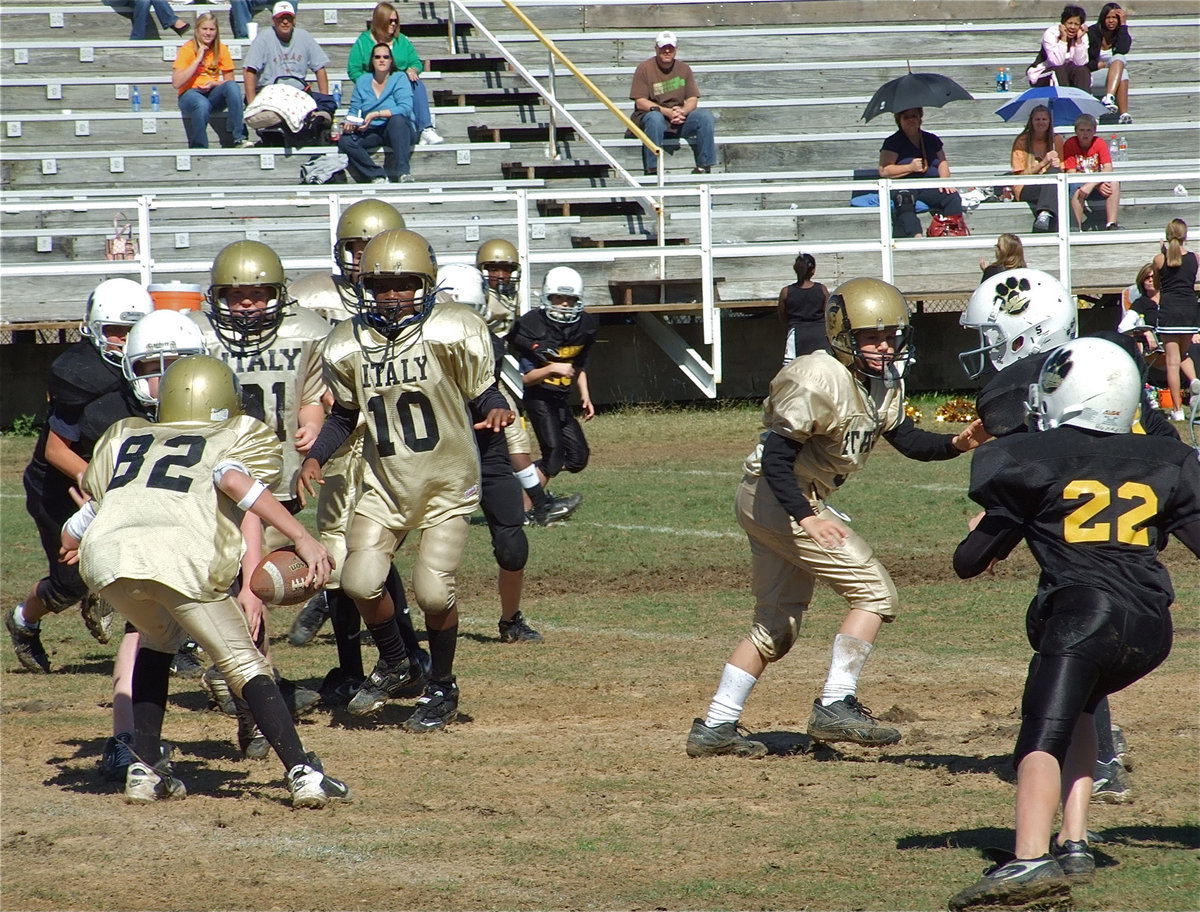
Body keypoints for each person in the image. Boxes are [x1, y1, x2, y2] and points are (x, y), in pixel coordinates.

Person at [686, 278, 989, 759]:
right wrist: (807, 518)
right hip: (778, 496)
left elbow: (906, 439)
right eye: (871, 336)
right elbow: (777, 462)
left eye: (890, 335)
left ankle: (717, 725)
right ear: (842, 333)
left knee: (775, 628)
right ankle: (835, 703)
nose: (883, 345)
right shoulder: (818, 376)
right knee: (874, 592)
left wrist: (956, 443)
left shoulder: (881, 380)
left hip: (773, 498)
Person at [947, 337, 1200, 911]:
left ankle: (1030, 857)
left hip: (1082, 615)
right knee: (1083, 709)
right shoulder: (1165, 459)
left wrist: (992, 523)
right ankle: (1075, 840)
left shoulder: (1033, 459)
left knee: (1042, 730)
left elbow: (969, 562)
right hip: (1150, 628)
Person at [62, 356, 352, 809]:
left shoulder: (131, 437)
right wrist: (301, 536)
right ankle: (304, 772)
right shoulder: (227, 437)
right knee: (244, 662)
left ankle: (145, 769)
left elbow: (78, 527)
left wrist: (75, 544)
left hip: (111, 564)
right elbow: (236, 481)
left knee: (156, 643)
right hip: (181, 560)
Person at [299, 229, 514, 729]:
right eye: (381, 286)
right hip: (384, 484)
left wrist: (499, 408)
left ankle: (442, 685)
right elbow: (343, 415)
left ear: (426, 284)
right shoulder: (346, 342)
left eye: (403, 284)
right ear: (364, 287)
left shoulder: (453, 328)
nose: (392, 296)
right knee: (358, 580)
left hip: (445, 482)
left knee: (435, 593)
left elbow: (483, 393)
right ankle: (397, 662)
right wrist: (316, 458)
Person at [287, 199, 431, 707]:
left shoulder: (414, 302)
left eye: (372, 248)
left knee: (370, 554)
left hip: (390, 441)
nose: (362, 259)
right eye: (354, 248)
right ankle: (367, 665)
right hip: (338, 443)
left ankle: (403, 657)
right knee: (341, 553)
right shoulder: (313, 297)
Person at [190, 240, 330, 756]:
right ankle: (254, 698)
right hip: (214, 483)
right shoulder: (198, 337)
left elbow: (313, 394)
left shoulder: (306, 332)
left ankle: (252, 697)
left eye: (258, 293)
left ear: (279, 295)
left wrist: (311, 424)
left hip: (275, 482)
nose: (247, 303)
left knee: (256, 591)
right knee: (242, 593)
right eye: (236, 294)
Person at [6, 279, 154, 676]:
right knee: (69, 584)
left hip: (120, 481)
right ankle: (23, 620)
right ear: (93, 328)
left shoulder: (154, 363)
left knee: (149, 562)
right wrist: (100, 485)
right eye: (115, 330)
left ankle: (171, 643)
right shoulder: (80, 373)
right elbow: (56, 451)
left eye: (133, 330)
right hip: (62, 485)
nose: (124, 341)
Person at [436, 262, 543, 642]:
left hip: (487, 447)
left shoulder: (488, 344)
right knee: (392, 536)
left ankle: (510, 620)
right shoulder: (417, 344)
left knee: (513, 546)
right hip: (435, 452)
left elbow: (482, 392)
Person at [475, 238, 581, 526]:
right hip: (470, 385)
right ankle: (535, 504)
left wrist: (533, 348)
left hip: (492, 384)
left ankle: (538, 504)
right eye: (495, 269)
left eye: (507, 269)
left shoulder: (510, 298)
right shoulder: (474, 296)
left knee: (516, 441)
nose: (501, 275)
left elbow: (512, 334)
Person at [506, 267, 599, 484]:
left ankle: (524, 478)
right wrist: (552, 368)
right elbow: (526, 380)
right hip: (539, 399)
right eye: (558, 298)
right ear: (547, 297)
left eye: (570, 298)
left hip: (560, 400)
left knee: (578, 458)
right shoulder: (534, 326)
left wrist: (585, 395)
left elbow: (579, 365)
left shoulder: (584, 326)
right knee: (554, 457)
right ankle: (531, 505)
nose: (565, 304)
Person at [347, 2, 442, 145]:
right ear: (380, 21)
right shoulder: (363, 42)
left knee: (415, 82)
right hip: (375, 87)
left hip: (399, 84)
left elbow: (415, 62)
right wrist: (370, 81)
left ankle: (425, 129)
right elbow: (353, 70)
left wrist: (413, 69)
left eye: (396, 21)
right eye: (389, 21)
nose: (393, 24)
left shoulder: (401, 40)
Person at [629, 30, 717, 176]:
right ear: (656, 48)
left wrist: (682, 112)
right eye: (663, 47)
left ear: (676, 49)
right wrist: (666, 112)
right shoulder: (644, 68)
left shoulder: (684, 69)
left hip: (678, 118)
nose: (667, 51)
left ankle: (704, 165)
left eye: (671, 48)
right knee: (654, 118)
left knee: (705, 116)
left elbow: (692, 99)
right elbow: (641, 102)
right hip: (655, 117)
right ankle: (653, 168)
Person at [877, 107, 966, 238]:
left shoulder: (931, 139)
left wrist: (945, 181)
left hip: (928, 184)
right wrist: (910, 168)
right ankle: (915, 234)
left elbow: (942, 162)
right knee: (904, 200)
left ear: (920, 118)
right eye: (906, 117)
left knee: (951, 196)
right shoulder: (893, 142)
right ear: (899, 120)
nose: (911, 119)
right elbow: (884, 170)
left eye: (914, 116)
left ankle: (951, 231)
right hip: (904, 185)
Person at [338, 43, 416, 185]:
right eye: (377, 57)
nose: (382, 60)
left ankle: (403, 172)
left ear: (391, 60)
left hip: (398, 129)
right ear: (372, 60)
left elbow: (405, 108)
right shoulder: (362, 81)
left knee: (397, 120)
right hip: (372, 129)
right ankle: (377, 175)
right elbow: (354, 110)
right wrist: (350, 123)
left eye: (386, 57)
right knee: (345, 141)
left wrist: (375, 114)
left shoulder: (399, 78)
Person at [173, 12, 253, 150]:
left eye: (212, 29)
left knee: (232, 87)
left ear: (216, 31)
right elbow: (176, 83)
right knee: (201, 104)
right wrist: (197, 59)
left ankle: (240, 138)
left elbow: (230, 81)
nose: (208, 33)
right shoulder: (187, 49)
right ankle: (199, 146)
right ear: (197, 30)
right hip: (189, 95)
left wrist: (214, 83)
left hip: (212, 94)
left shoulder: (221, 49)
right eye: (204, 29)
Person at [242, 2, 333, 122]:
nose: (285, 22)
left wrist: (324, 97)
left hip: (298, 92)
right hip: (271, 92)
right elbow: (249, 70)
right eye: (281, 18)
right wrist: (252, 104)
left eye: (288, 18)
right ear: (274, 20)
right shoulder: (263, 38)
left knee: (329, 103)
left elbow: (320, 68)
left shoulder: (304, 37)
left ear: (294, 20)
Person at [1152, 218, 1200, 420]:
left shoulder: (1159, 259)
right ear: (1185, 235)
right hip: (1189, 310)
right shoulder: (1195, 258)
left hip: (1170, 310)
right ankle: (1195, 380)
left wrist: (1163, 252)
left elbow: (1156, 285)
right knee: (1184, 352)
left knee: (1172, 361)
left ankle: (1177, 410)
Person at [1010, 105, 1065, 233]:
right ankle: (1070, 227)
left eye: (1044, 119)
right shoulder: (1021, 141)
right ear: (1032, 121)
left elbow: (1063, 169)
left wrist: (1057, 164)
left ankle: (1045, 214)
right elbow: (1020, 176)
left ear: (1050, 121)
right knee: (1057, 191)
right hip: (1026, 186)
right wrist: (1043, 162)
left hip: (1049, 186)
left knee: (1056, 175)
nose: (1041, 122)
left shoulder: (1056, 140)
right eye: (1037, 119)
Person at [1063, 113, 1120, 231]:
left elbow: (1108, 168)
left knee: (1114, 182)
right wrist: (1091, 184)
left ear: (1094, 131)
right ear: (1076, 131)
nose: (1085, 134)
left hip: (1096, 184)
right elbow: (1071, 173)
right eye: (1081, 130)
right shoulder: (1070, 144)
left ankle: (1111, 224)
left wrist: (1094, 184)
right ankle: (1076, 228)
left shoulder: (1099, 143)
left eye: (1089, 130)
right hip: (1080, 184)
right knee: (1075, 187)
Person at [777, 251, 829, 365]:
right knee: (822, 367)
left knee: (794, 369)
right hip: (820, 334)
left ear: (795, 269)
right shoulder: (822, 289)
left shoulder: (786, 292)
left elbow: (782, 315)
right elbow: (828, 313)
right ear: (813, 270)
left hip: (796, 334)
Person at [1026, 5, 1090, 90]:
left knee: (1082, 70)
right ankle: (1064, 101)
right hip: (1042, 73)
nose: (1072, 27)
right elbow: (1057, 62)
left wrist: (1079, 40)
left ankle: (1083, 100)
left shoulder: (1082, 36)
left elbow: (1080, 63)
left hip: (1066, 73)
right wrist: (1063, 38)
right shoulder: (1051, 33)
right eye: (1069, 23)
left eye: (1076, 24)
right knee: (1059, 71)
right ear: (1063, 23)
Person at [1088, 3, 1133, 123]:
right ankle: (1112, 100)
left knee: (1120, 63)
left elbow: (1123, 50)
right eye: (1108, 17)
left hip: (1112, 77)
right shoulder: (1092, 33)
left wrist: (1123, 25)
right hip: (1092, 76)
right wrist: (1096, 65)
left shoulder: (1120, 33)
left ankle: (1122, 113)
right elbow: (1081, 62)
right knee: (1122, 70)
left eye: (1115, 18)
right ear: (1103, 18)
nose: (1111, 21)